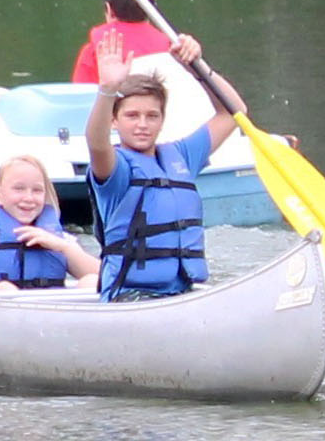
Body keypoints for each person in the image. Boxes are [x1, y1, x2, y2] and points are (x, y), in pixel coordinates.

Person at [84, 26, 234, 301]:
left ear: (162, 120)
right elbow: (95, 142)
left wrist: (197, 68)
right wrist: (107, 90)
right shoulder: (116, 168)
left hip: (180, 294)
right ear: (114, 121)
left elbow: (232, 113)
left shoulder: (181, 156)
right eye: (132, 115)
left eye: (152, 116)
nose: (143, 124)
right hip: (130, 296)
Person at [0, 144, 98, 293]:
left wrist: (63, 247)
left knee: (91, 281)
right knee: (4, 288)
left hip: (49, 315)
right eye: (19, 189)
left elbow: (107, 276)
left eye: (37, 190)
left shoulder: (60, 239)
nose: (28, 198)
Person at [69, 0, 176, 86]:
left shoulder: (92, 52)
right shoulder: (171, 49)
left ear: (109, 10)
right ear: (152, 9)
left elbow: (83, 98)